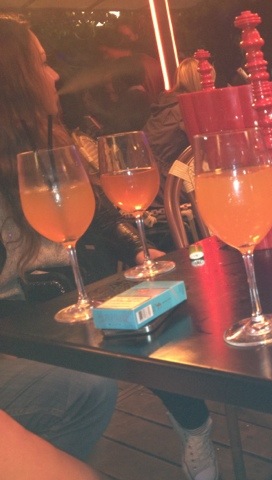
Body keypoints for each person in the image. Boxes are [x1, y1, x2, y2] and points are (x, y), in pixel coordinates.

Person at [0, 14, 219, 480]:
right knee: (102, 368)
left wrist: (138, 249)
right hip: (23, 321)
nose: (54, 75)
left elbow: (98, 213)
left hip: (81, 290)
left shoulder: (51, 138)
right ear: (16, 80)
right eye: (41, 63)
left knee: (164, 313)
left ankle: (195, 426)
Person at [143, 56, 206, 205]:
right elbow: (207, 147)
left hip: (149, 180)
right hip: (165, 186)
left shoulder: (167, 103)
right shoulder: (185, 109)